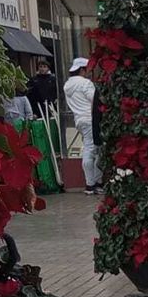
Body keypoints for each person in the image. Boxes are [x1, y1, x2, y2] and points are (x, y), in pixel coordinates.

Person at [62, 57, 99, 194]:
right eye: (87, 69)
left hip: (79, 120)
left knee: (90, 148)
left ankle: (95, 181)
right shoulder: (86, 83)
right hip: (90, 119)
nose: (89, 71)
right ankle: (91, 184)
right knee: (91, 150)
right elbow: (94, 101)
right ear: (82, 69)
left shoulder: (67, 85)